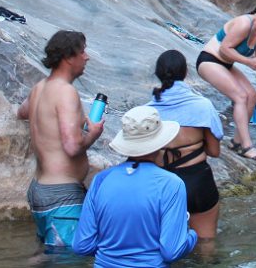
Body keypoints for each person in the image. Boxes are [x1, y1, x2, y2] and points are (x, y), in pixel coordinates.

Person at [73, 106, 198, 267]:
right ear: (161, 143)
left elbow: (82, 246)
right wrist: (192, 235)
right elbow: (171, 251)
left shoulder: (101, 180)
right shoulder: (171, 184)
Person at [17, 30, 105, 251]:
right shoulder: (66, 92)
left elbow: (22, 112)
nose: (87, 57)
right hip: (62, 196)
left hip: (40, 190)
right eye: (82, 52)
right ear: (68, 57)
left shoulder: (39, 88)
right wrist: (93, 133)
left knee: (46, 255)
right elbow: (72, 146)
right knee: (68, 259)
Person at [147, 50, 224, 240]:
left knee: (163, 241)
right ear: (186, 73)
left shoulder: (147, 110)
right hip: (197, 180)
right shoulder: (202, 106)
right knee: (206, 243)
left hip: (161, 183)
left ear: (158, 74)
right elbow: (214, 151)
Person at [196, 0, 256, 163]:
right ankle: (247, 146)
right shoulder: (244, 23)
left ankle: (236, 142)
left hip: (225, 64)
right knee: (241, 97)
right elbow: (224, 49)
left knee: (252, 95)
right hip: (209, 60)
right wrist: (248, 62)